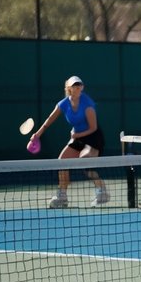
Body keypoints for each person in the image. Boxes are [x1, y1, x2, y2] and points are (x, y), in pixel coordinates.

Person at [29, 75, 109, 207]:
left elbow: (93, 128)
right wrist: (36, 135)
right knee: (62, 162)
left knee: (85, 162)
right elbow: (49, 120)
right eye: (74, 86)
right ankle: (62, 196)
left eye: (79, 85)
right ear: (69, 88)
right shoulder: (63, 104)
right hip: (77, 137)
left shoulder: (88, 104)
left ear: (82, 87)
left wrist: (76, 135)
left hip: (93, 137)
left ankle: (102, 191)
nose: (77, 88)